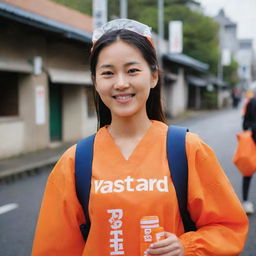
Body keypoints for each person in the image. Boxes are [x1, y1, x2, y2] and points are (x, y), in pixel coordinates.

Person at [32, 19, 248, 256]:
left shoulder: (187, 149)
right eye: (108, 73)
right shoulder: (75, 162)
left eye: (132, 70)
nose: (121, 83)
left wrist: (187, 246)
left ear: (154, 76)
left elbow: (229, 227)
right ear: (95, 82)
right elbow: (52, 249)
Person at [242, 91, 256, 214]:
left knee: (248, 172)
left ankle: (246, 202)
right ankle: (246, 202)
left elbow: (245, 124)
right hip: (253, 143)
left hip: (252, 143)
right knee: (248, 172)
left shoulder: (251, 102)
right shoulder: (251, 102)